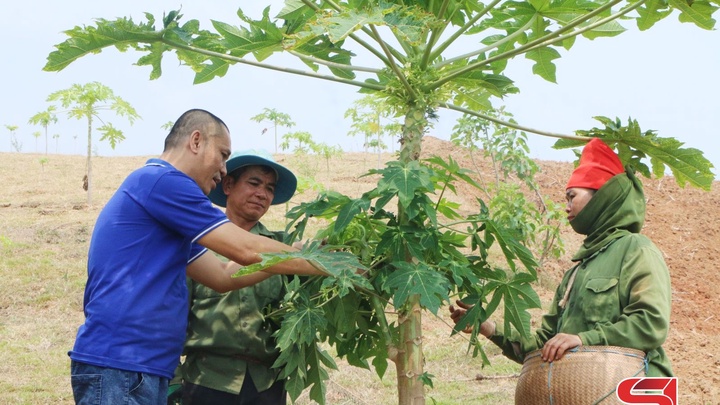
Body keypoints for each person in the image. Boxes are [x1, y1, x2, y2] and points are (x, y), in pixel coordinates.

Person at [69, 109, 327, 405]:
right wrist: (324, 263)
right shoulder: (162, 181)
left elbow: (222, 276)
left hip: (141, 368)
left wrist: (302, 254)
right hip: (121, 364)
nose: (223, 169)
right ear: (195, 141)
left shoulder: (168, 215)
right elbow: (244, 249)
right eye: (223, 154)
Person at [449, 137, 673, 377]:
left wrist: (584, 339)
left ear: (602, 196)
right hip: (586, 388)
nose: (566, 206)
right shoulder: (577, 271)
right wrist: (489, 328)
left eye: (571, 196)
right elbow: (545, 346)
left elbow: (651, 324)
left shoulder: (636, 249)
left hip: (635, 390)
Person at [170, 150, 298, 405]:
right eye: (254, 183)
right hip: (207, 380)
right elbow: (172, 317)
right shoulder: (197, 245)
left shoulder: (285, 248)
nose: (262, 194)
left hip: (267, 384)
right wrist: (173, 383)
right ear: (228, 185)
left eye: (270, 188)